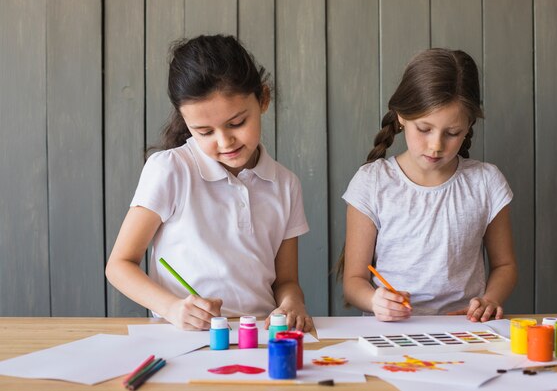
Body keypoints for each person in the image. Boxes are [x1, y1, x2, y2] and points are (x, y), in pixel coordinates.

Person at [106, 34, 312, 332]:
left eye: (237, 123)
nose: (224, 141)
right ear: (185, 121)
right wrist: (173, 308)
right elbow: (119, 265)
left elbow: (286, 281)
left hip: (258, 338)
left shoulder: (285, 184)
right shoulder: (171, 169)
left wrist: (293, 302)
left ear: (263, 99)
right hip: (183, 338)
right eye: (204, 131)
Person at [340, 48, 517, 323]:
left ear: (468, 125)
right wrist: (375, 300)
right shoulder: (372, 182)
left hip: (465, 331)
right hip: (392, 332)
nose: (436, 146)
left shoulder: (485, 182)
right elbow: (353, 282)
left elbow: (505, 265)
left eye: (452, 133)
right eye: (424, 129)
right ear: (401, 116)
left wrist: (490, 299)